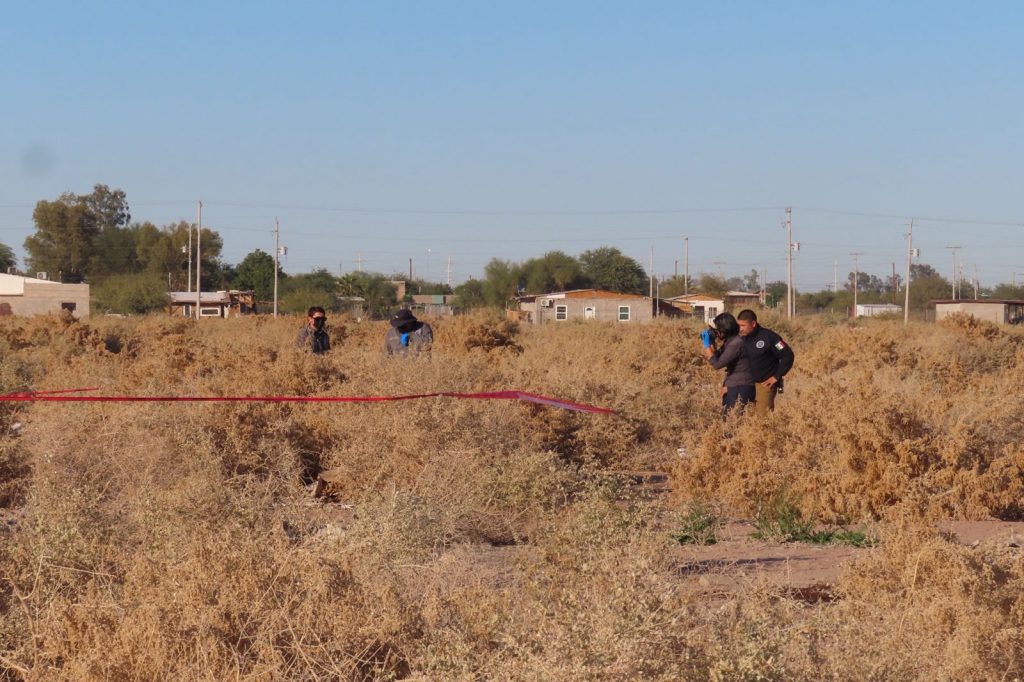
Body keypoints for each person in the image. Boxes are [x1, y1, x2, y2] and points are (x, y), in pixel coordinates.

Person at [736, 309, 794, 415]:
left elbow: (788, 355)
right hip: (746, 384)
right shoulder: (742, 339)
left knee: (762, 419)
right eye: (739, 325)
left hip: (764, 385)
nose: (740, 329)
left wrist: (776, 376)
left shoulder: (770, 337)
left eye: (743, 325)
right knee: (744, 418)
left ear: (753, 323)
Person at [702, 311, 754, 414]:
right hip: (736, 386)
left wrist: (707, 345)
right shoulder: (731, 341)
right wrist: (712, 343)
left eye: (716, 330)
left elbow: (717, 364)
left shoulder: (736, 343)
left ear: (724, 329)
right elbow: (718, 356)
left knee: (731, 423)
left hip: (740, 387)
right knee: (729, 420)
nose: (715, 332)